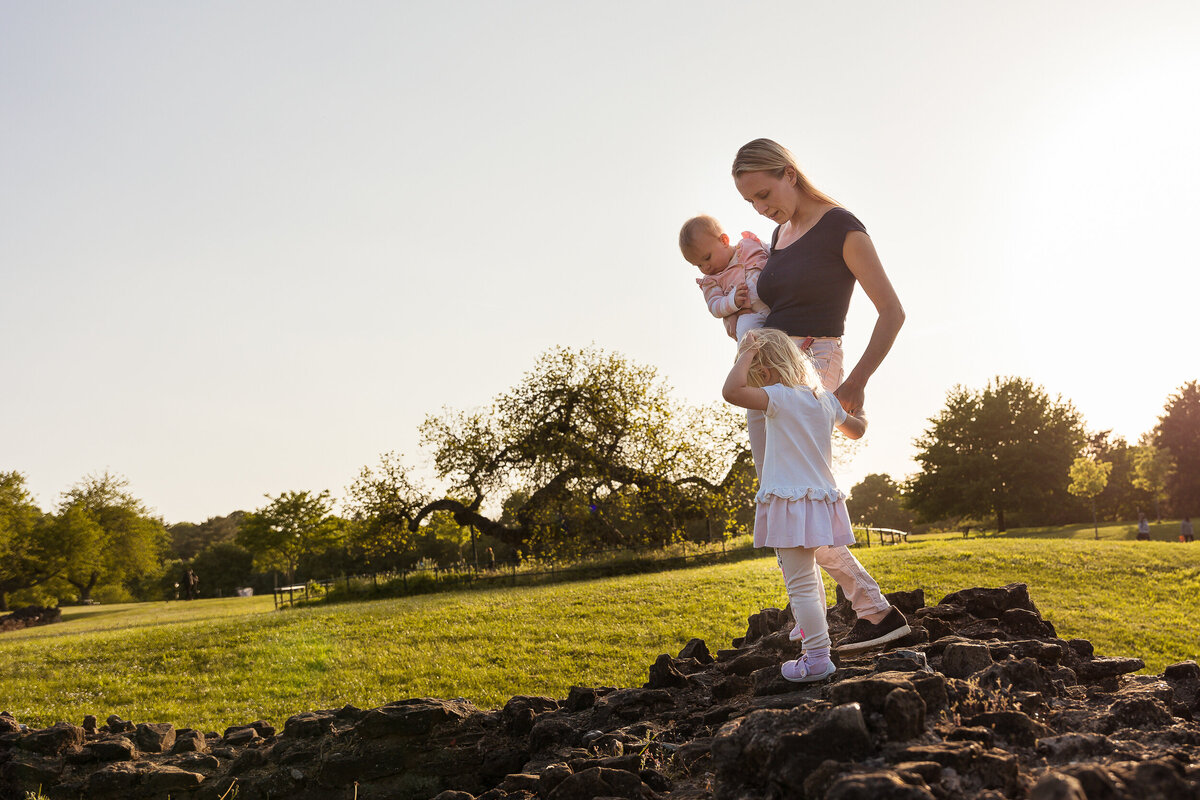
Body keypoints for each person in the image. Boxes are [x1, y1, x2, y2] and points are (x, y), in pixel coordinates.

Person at [730, 138, 909, 652]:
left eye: (766, 194)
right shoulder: (778, 234)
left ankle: (869, 612)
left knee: (797, 494)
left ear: (789, 172)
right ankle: (839, 614)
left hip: (815, 366)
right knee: (781, 497)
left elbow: (892, 312)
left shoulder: (842, 228)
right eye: (752, 203)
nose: (763, 208)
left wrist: (857, 383)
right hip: (769, 370)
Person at [723, 329, 905, 682]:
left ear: (768, 370)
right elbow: (857, 430)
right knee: (807, 581)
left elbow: (731, 391)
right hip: (822, 501)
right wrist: (862, 408)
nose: (756, 380)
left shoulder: (778, 396)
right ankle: (811, 631)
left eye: (758, 373)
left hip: (790, 503)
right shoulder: (824, 399)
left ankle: (817, 658)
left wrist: (745, 351)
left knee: (801, 583)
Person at [679, 215, 770, 341]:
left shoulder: (749, 244)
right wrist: (732, 301)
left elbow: (776, 252)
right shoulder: (712, 281)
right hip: (751, 314)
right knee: (746, 331)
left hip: (777, 299)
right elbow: (714, 305)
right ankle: (750, 357)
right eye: (699, 265)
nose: (706, 267)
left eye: (707, 258)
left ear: (724, 241)